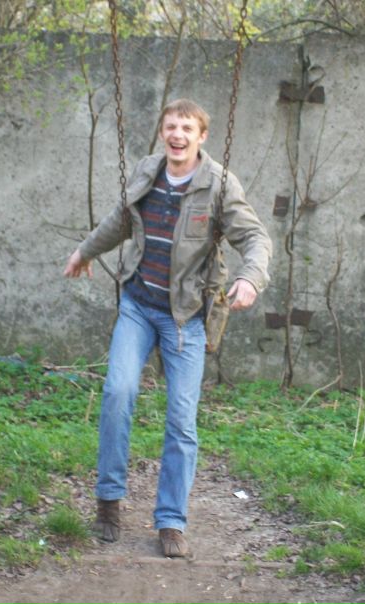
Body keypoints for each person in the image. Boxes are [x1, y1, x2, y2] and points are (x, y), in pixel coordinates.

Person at [64, 98, 272, 558]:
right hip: (138, 306)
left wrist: (249, 278)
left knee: (181, 420)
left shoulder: (219, 185)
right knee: (118, 392)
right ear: (162, 132)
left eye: (187, 128)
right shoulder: (147, 170)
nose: (177, 135)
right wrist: (84, 251)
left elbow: (255, 238)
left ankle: (171, 521)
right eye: (171, 127)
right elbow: (120, 221)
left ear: (202, 136)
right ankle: (108, 501)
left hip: (186, 318)